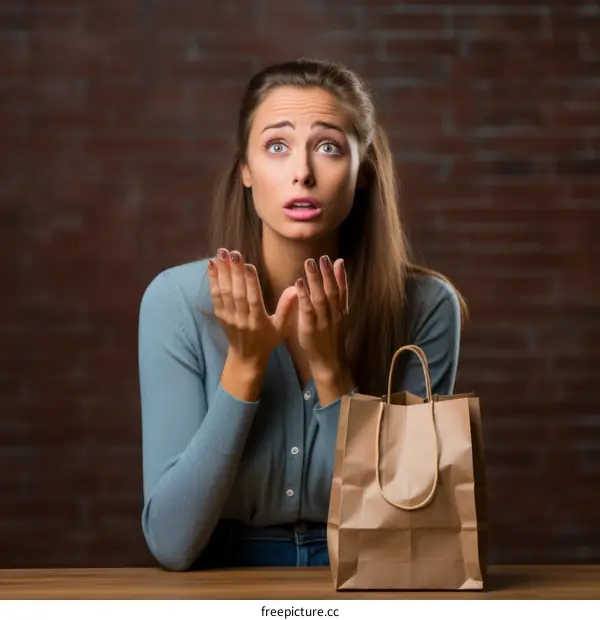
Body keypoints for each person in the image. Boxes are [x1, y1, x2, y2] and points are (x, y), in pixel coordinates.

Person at [137, 58, 468, 572]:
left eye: (329, 147)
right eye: (276, 146)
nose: (302, 173)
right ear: (245, 170)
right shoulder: (175, 301)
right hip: (224, 583)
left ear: (364, 172)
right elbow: (172, 543)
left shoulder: (426, 307)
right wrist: (244, 368)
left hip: (365, 576)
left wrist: (334, 373)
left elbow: (404, 530)